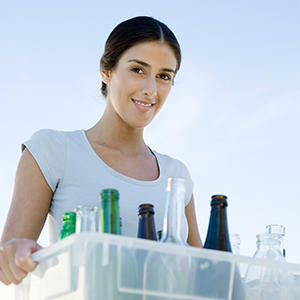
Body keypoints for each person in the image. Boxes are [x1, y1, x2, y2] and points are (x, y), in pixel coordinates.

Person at [0, 16, 202, 286]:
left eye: (164, 76)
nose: (150, 89)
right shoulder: (52, 151)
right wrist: (14, 254)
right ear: (106, 71)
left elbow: (206, 274)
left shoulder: (177, 176)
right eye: (138, 70)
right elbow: (7, 266)